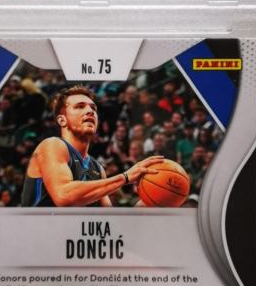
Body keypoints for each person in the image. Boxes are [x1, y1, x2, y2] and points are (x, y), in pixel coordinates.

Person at [21, 85, 163, 207]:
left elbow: (108, 221)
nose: (90, 111)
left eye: (93, 108)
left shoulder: (97, 168)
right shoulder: (51, 145)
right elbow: (64, 195)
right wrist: (125, 177)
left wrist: (147, 203)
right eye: (80, 106)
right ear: (62, 120)